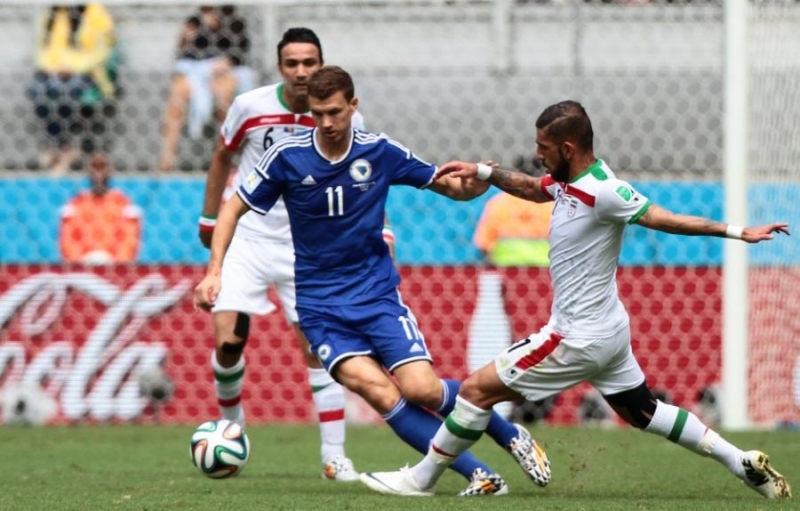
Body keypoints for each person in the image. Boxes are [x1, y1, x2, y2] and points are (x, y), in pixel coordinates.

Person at [360, 100, 793, 499]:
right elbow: (534, 188)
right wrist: (485, 173)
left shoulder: (605, 191)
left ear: (568, 148)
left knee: (475, 391)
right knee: (643, 412)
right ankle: (739, 461)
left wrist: (737, 231)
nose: (538, 154)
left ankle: (422, 479)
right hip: (608, 331)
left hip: (574, 337)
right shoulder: (568, 182)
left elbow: (664, 218)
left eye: (544, 147)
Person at [194, 65, 551, 496]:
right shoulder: (287, 157)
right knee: (381, 394)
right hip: (320, 308)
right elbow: (233, 208)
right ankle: (479, 474)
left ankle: (510, 434)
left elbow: (444, 185)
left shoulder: (378, 151)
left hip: (376, 296)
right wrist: (215, 271)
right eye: (318, 113)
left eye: (335, 112)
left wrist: (472, 189)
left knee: (422, 389)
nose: (326, 122)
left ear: (353, 106)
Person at [197, 28, 380, 482]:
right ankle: (233, 431)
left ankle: (334, 456)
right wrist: (208, 217)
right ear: (279, 67)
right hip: (249, 236)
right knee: (228, 342)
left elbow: (366, 173)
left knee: (319, 351)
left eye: (309, 62)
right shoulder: (250, 106)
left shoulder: (342, 115)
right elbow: (222, 156)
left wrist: (384, 228)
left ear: (321, 63)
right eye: (292, 63)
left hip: (309, 246)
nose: (301, 71)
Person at [159, 5, 254, 172]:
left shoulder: (234, 23)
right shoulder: (195, 22)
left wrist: (219, 67)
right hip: (198, 71)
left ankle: (228, 154)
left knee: (224, 95)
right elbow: (183, 55)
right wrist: (187, 37)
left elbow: (238, 56)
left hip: (226, 71)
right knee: (177, 93)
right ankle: (168, 157)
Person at [28, 3, 118, 175]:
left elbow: (104, 50)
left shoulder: (95, 13)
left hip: (89, 73)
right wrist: (49, 67)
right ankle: (62, 147)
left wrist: (75, 67)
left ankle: (62, 150)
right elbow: (43, 49)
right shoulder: (52, 13)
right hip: (55, 72)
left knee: (66, 90)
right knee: (38, 90)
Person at [60, 153, 142, 264]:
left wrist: (117, 263)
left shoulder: (122, 203)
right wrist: (79, 262)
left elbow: (129, 239)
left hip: (114, 265)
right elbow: (68, 239)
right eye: (95, 168)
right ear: (88, 171)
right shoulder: (77, 203)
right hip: (83, 265)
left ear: (109, 171)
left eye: (102, 167)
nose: (98, 173)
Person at [473, 191, 551, 267]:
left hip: (505, 268)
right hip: (545, 268)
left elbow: (484, 244)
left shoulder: (499, 203)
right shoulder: (550, 203)